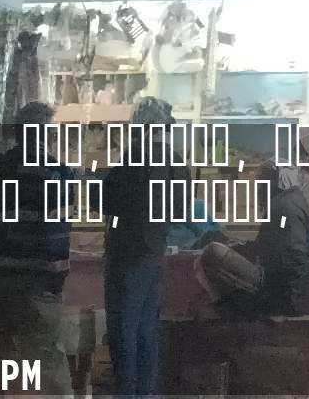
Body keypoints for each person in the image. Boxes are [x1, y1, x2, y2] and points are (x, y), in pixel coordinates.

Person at [0, 102, 75, 398]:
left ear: (16, 133)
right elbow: (59, 228)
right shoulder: (59, 173)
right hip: (40, 283)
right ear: (46, 135)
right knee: (46, 357)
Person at [101, 98, 179, 399]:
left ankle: (126, 392)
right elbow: (181, 207)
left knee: (124, 329)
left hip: (127, 254)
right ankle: (144, 391)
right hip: (155, 253)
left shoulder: (135, 158)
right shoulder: (173, 160)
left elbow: (105, 199)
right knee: (146, 328)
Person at [195, 153, 309, 316]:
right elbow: (281, 242)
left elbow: (294, 253)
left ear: (274, 182)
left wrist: (288, 301)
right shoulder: (286, 204)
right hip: (277, 288)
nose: (259, 189)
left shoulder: (285, 209)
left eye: (262, 183)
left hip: (275, 293)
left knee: (212, 252)